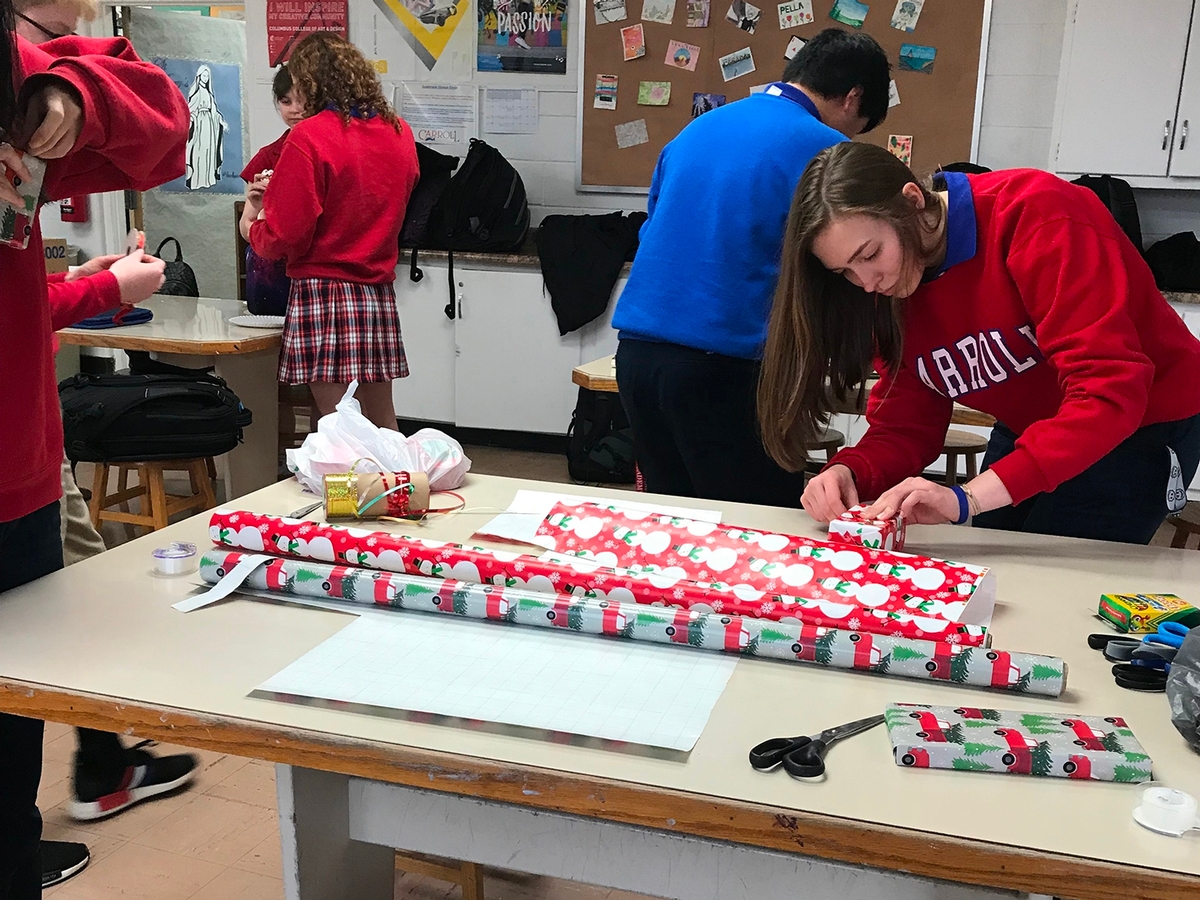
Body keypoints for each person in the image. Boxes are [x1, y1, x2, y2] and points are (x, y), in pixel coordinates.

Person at [758, 141, 1200, 544]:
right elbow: (906, 423)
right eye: (845, 273)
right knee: (993, 559)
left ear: (913, 201)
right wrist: (849, 470)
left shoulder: (1039, 214)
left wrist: (967, 498)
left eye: (870, 255)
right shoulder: (886, 287)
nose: (866, 282)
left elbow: (1109, 390)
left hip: (1140, 424)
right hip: (1032, 423)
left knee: (1061, 584)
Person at [0, 4, 189, 896]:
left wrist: (69, 93)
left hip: (15, 479)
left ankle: (97, 769)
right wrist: (99, 290)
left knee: (9, 759)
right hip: (17, 475)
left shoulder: (18, 77)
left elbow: (162, 118)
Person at [609, 29, 890, 507]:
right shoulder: (828, 153)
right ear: (853, 97)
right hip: (726, 368)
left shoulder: (699, 128)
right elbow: (850, 263)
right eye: (857, 126)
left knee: (675, 525)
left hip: (638, 359)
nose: (849, 138)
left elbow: (654, 227)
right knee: (759, 530)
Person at [241, 31, 419, 427]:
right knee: (382, 419)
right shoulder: (399, 132)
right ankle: (395, 488)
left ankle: (345, 491)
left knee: (338, 423)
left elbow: (286, 234)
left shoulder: (309, 137)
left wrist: (253, 227)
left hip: (323, 289)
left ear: (310, 82)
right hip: (376, 291)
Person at [241, 64, 306, 316]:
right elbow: (246, 230)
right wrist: (257, 207)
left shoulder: (331, 152)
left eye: (303, 100)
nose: (295, 110)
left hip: (313, 272)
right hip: (272, 274)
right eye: (286, 101)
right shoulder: (268, 156)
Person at [185, 64, 226, 190]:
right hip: (200, 125)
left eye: (207, 76)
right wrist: (192, 118)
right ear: (199, 76)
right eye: (204, 75)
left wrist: (220, 121)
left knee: (209, 151)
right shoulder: (196, 93)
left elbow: (214, 111)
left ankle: (208, 179)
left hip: (209, 125)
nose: (206, 78)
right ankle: (198, 180)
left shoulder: (209, 93)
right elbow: (190, 110)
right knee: (199, 152)